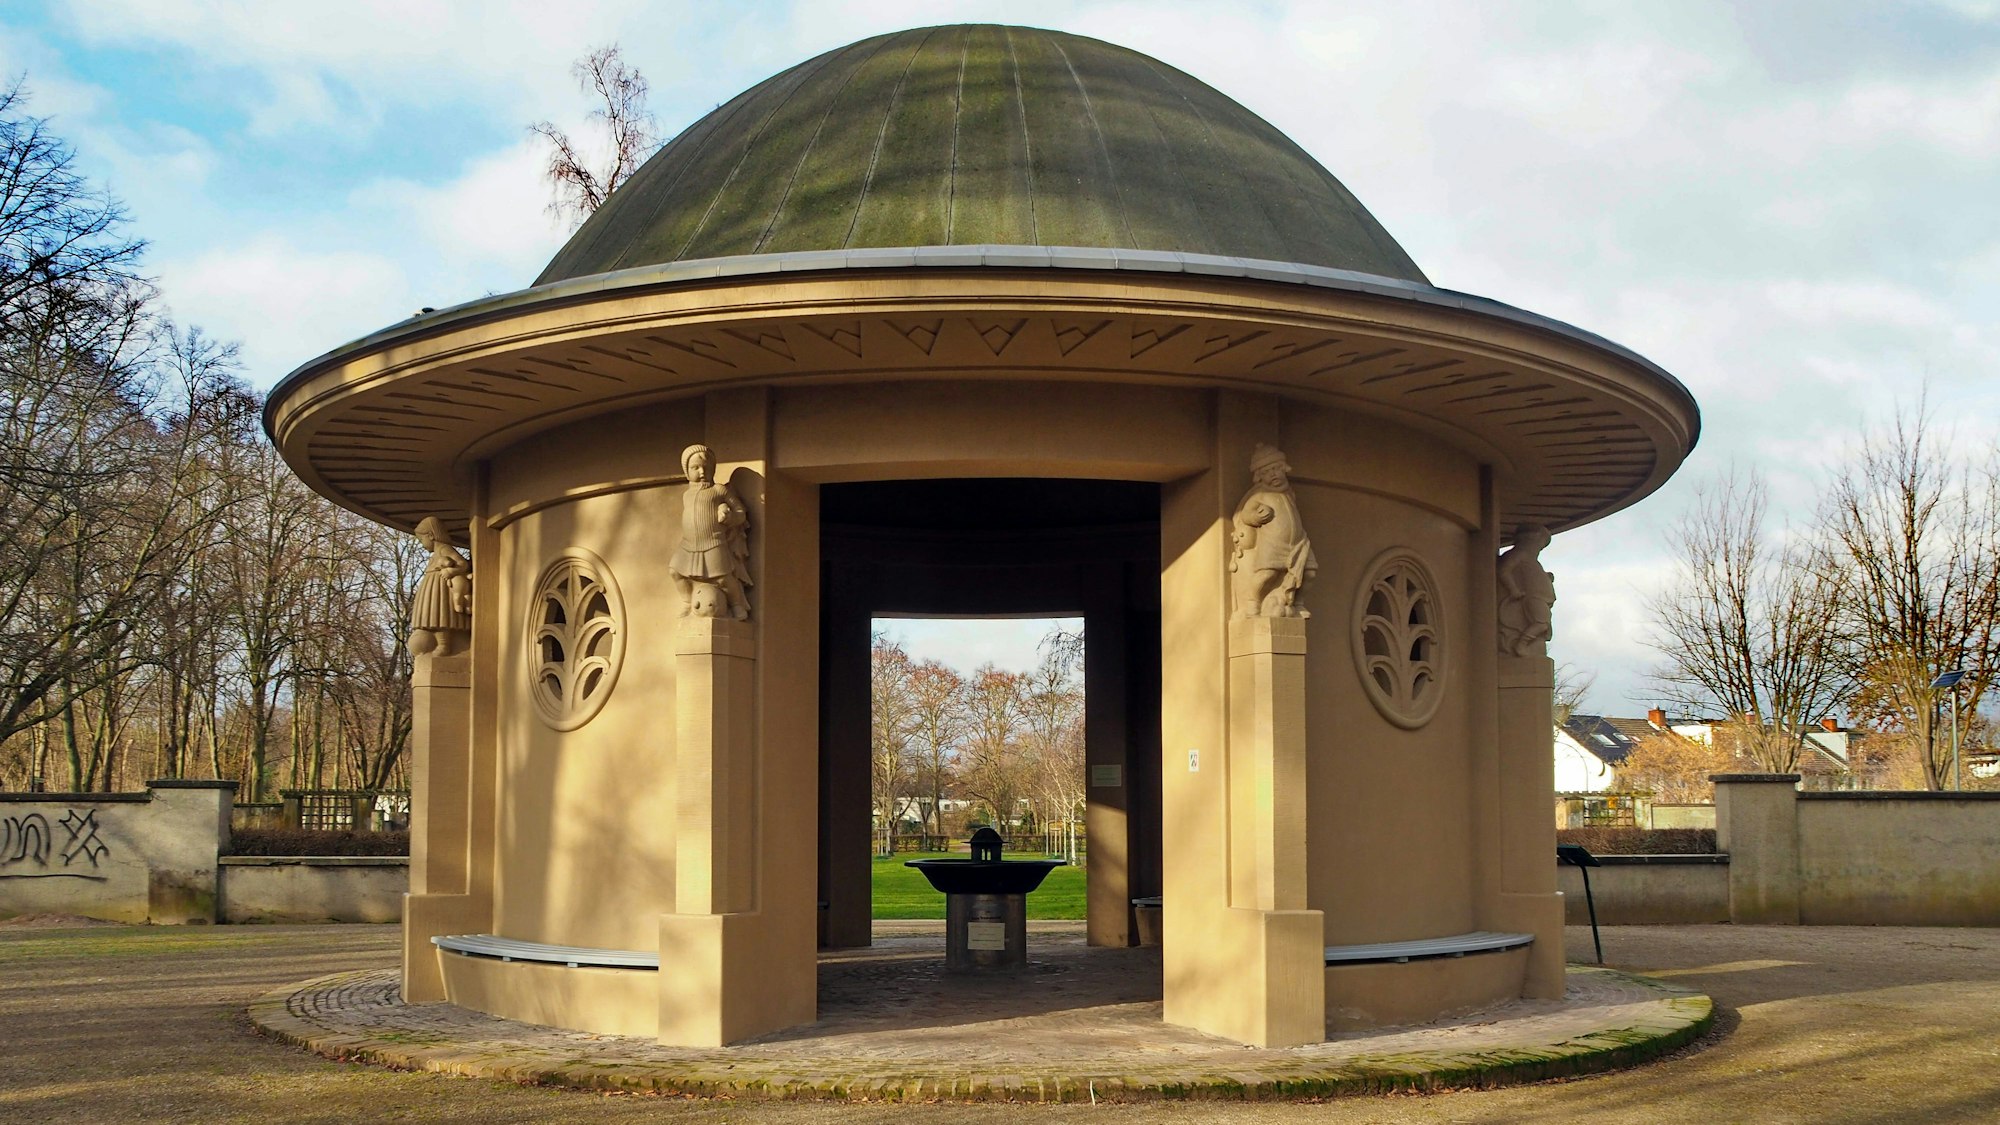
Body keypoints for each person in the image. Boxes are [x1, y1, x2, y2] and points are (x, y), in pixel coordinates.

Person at [1229, 444, 1317, 618]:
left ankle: (1298, 604)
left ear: (1284, 469)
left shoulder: (1288, 493)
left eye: (1277, 469)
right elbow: (1245, 514)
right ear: (1260, 477)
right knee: (1266, 575)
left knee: (1310, 573)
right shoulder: (1259, 495)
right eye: (1268, 472)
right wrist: (1256, 517)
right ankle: (1253, 604)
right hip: (1273, 544)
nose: (1274, 474)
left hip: (1299, 543)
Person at [670, 444, 752, 620]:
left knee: (723, 578)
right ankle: (686, 601)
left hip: (712, 542)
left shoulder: (719, 491)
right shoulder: (687, 495)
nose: (701, 471)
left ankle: (736, 604)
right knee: (675, 571)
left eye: (706, 468)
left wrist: (728, 516)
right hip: (689, 544)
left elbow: (740, 512)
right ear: (687, 471)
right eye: (695, 467)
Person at [409, 515, 472, 655]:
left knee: (441, 616)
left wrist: (450, 570)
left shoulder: (445, 549)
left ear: (430, 535)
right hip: (433, 588)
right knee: (434, 616)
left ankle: (444, 645)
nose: (422, 544)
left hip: (441, 588)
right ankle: (441, 644)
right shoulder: (437, 553)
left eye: (422, 540)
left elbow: (463, 563)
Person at [1497, 525, 1556, 656]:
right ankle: (1521, 645)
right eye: (1539, 544)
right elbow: (1504, 570)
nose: (1538, 549)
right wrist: (1513, 589)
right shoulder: (1519, 554)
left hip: (1540, 598)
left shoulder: (1532, 561)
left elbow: (1530, 575)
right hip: (1532, 598)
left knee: (1543, 624)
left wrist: (1546, 577)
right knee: (1541, 623)